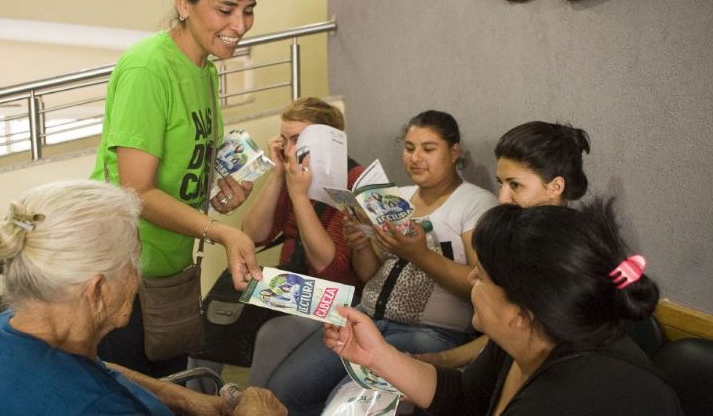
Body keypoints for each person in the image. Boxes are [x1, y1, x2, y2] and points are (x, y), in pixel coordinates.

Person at [0, 180, 287, 416]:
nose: (139, 275)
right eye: (134, 259)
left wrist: (182, 398)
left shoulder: (2, 332)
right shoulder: (98, 406)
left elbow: (96, 368)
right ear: (97, 290)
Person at [324, 200, 683, 416]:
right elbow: (466, 399)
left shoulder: (570, 399)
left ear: (521, 314)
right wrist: (379, 356)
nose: (469, 282)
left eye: (480, 278)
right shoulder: (525, 340)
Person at [89, 0, 268, 377]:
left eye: (248, 11)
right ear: (183, 2)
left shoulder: (204, 70)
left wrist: (213, 193)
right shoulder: (148, 68)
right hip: (120, 270)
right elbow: (136, 192)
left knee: (166, 389)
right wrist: (222, 230)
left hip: (167, 274)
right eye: (225, 9)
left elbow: (179, 175)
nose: (239, 26)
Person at [265, 110, 498, 415]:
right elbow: (370, 273)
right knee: (285, 389)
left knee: (345, 405)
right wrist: (361, 246)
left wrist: (419, 254)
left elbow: (480, 286)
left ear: (454, 152)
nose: (416, 158)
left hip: (431, 331)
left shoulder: (475, 202)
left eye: (428, 149)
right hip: (366, 316)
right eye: (409, 148)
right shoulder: (395, 197)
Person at [418, 120, 592, 369]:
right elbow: (500, 337)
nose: (502, 198)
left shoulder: (570, 255)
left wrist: (446, 360)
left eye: (515, 185)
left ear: (556, 186)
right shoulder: (518, 242)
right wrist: (443, 360)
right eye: (501, 183)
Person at [243, 97, 364, 387]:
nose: (289, 149)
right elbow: (254, 234)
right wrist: (276, 175)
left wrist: (299, 196)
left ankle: (253, 405)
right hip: (294, 285)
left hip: (336, 295)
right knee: (214, 315)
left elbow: (331, 268)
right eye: (285, 140)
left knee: (272, 336)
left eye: (298, 139)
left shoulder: (354, 180)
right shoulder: (292, 173)